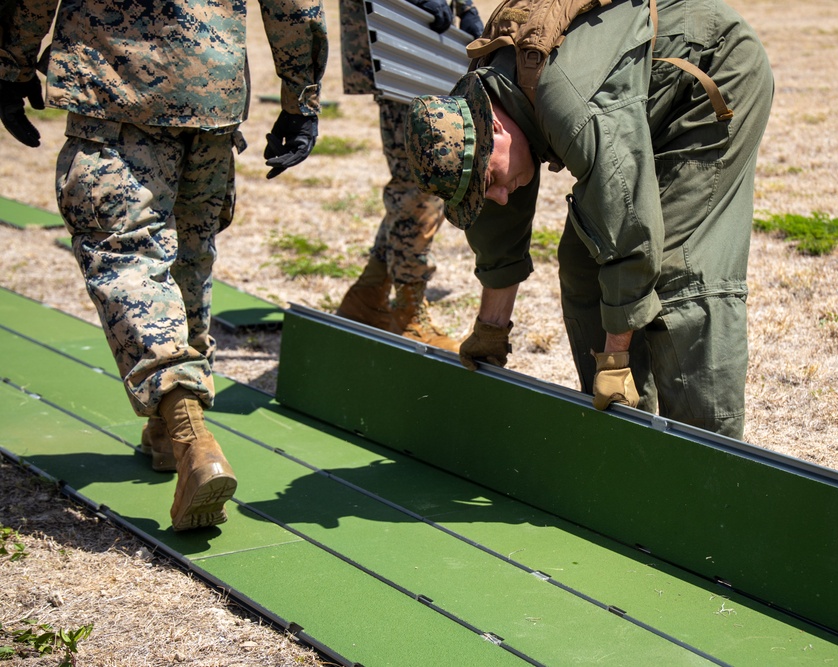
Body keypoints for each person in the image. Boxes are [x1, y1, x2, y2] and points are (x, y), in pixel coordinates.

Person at [0, 0, 328, 530]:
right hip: (211, 85)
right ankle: (163, 436)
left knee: (125, 255)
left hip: (115, 79)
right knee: (187, 257)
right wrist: (301, 98)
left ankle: (187, 431)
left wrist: (11, 62)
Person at [404, 0, 773, 439]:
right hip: (634, 102)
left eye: (493, 180)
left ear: (497, 133)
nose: (500, 194)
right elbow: (496, 217)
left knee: (679, 273)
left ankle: (710, 458)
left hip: (708, 73)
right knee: (583, 267)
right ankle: (626, 435)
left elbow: (630, 236)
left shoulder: (566, 101)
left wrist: (615, 360)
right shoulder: (477, 102)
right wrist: (491, 329)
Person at [335, 0, 483, 352]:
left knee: (420, 181)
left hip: (425, 37)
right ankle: (408, 311)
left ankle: (369, 293)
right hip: (398, 31)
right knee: (421, 183)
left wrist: (466, 5)